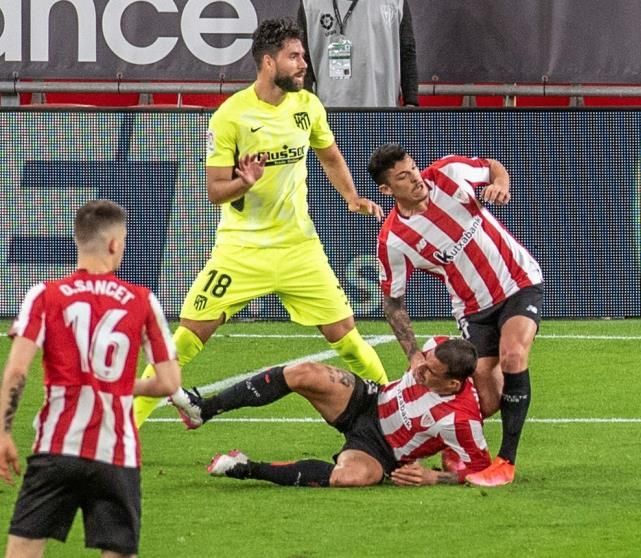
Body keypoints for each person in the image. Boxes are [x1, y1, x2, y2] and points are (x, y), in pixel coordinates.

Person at [133, 17, 388, 427]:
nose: (303, 63)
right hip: (241, 252)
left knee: (348, 339)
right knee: (185, 338)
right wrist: (243, 181)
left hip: (298, 249)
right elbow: (215, 191)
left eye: (303, 55)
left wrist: (352, 198)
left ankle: (394, 413)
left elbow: (330, 155)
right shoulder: (230, 117)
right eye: (294, 56)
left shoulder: (308, 106)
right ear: (268, 62)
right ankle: (125, 430)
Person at [0, 200, 181, 558]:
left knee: (22, 551)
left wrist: (3, 432)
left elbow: (17, 370)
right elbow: (169, 383)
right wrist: (117, 387)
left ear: (77, 240)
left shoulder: (43, 295)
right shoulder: (142, 301)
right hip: (116, 456)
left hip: (56, 449)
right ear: (115, 244)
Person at [368, 144, 544, 487]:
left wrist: (501, 185)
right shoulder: (393, 240)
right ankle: (444, 455)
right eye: (403, 177)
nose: (416, 178)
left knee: (513, 354)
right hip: (473, 309)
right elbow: (393, 302)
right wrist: (414, 353)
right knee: (486, 400)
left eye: (414, 168)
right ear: (387, 190)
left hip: (518, 281)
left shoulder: (448, 172)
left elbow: (493, 165)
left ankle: (505, 462)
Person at [171, 337, 490, 487]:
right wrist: (414, 351)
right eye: (425, 359)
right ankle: (203, 409)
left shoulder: (460, 419)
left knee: (348, 478)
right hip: (369, 400)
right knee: (303, 372)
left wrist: (434, 476)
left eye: (430, 371)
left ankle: (245, 467)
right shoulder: (436, 346)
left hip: (381, 451)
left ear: (451, 383)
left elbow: (479, 469)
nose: (420, 370)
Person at [298, 0, 418, 107]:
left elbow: (407, 53)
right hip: (327, 115)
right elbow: (303, 58)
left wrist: (411, 101)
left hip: (382, 111)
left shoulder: (396, 2)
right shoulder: (310, 4)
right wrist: (307, 106)